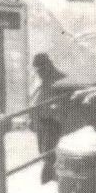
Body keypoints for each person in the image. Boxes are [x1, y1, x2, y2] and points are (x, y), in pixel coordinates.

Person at [30, 52, 65, 183]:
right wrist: (32, 119)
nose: (39, 73)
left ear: (47, 65)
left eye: (40, 69)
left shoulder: (59, 80)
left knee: (50, 152)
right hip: (41, 122)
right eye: (37, 70)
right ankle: (50, 175)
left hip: (53, 123)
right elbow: (35, 100)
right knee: (44, 151)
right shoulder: (41, 81)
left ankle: (54, 177)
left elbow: (62, 104)